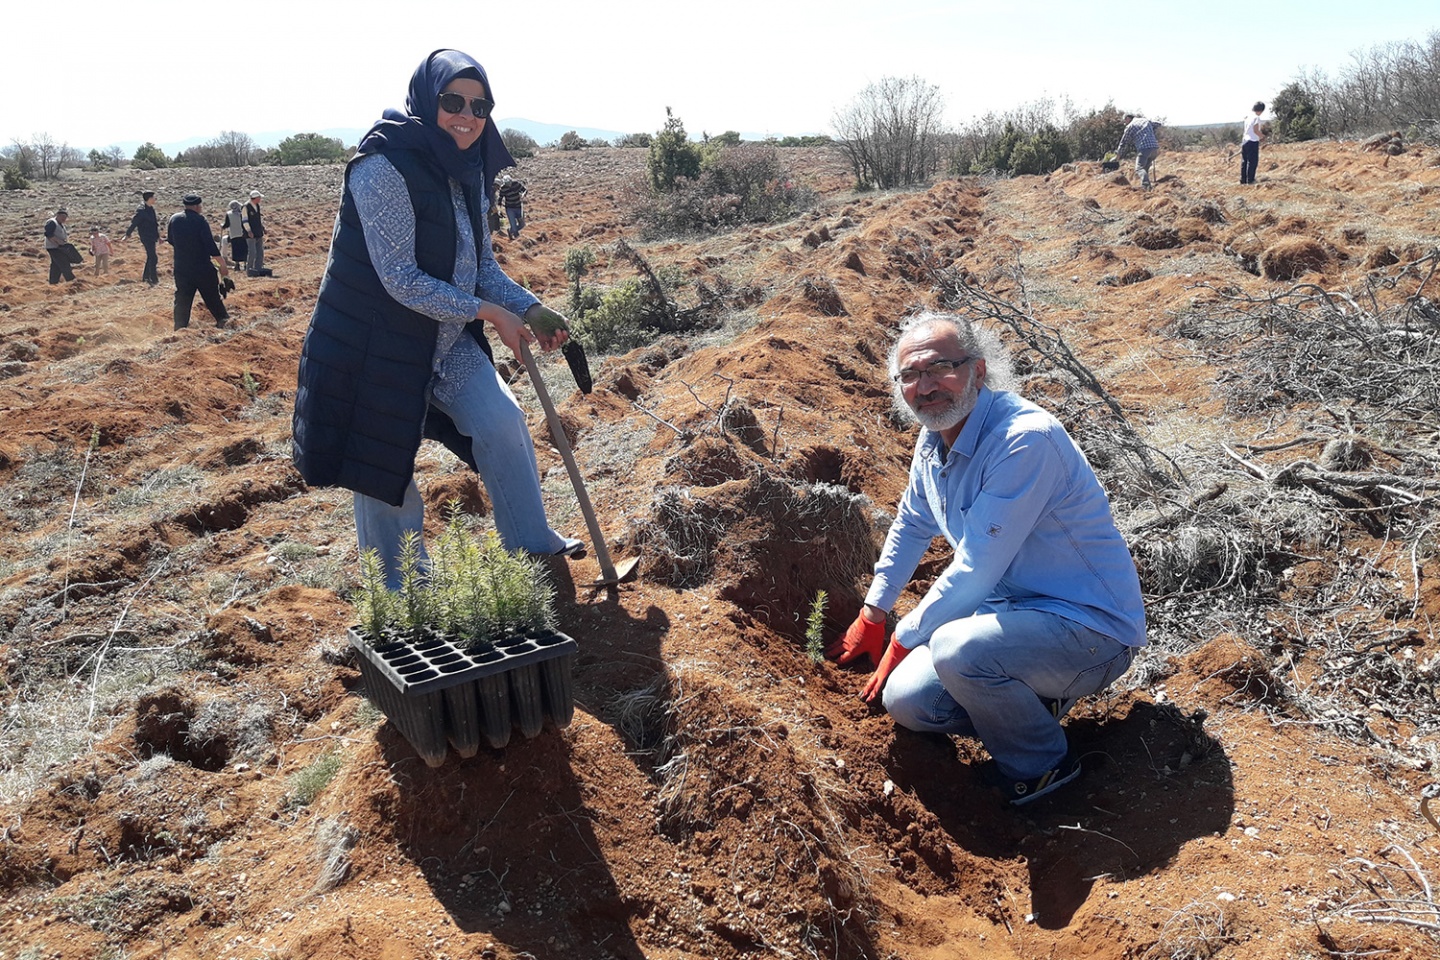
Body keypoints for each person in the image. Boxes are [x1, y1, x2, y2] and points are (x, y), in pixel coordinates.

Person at [291, 48, 584, 590]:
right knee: (385, 470)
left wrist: (528, 307)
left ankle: (531, 540)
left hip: (442, 340)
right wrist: (490, 313)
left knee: (501, 421)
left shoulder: (467, 173)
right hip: (372, 345)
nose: (467, 116)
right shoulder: (383, 167)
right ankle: (401, 589)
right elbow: (398, 278)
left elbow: (481, 268)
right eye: (453, 101)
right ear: (428, 100)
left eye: (480, 105)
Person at [826, 312, 1147, 805]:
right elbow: (912, 524)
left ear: (978, 371)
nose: (926, 387)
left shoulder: (1024, 440)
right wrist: (873, 610)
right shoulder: (933, 440)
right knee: (908, 701)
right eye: (910, 376)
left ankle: (1042, 766)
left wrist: (904, 638)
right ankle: (1033, 702)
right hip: (1013, 621)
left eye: (940, 368)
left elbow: (976, 569)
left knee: (956, 648)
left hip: (1090, 630)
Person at [166, 194, 231, 330]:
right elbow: (211, 249)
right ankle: (223, 321)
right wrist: (224, 273)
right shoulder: (200, 221)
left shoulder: (174, 219)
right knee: (212, 298)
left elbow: (171, 240)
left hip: (181, 268)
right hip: (202, 269)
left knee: (182, 300)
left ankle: (179, 328)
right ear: (197, 206)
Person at [123, 190, 162, 285]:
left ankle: (146, 277)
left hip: (152, 237)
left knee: (151, 257)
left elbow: (154, 224)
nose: (155, 199)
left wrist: (158, 237)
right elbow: (134, 223)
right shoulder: (141, 211)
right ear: (149, 199)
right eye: (153, 197)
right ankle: (153, 279)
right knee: (153, 257)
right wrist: (127, 235)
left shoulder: (151, 209)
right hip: (146, 237)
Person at [1115, 113, 1160, 189]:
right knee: (1145, 168)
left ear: (1128, 118)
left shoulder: (1130, 126)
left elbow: (1123, 142)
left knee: (1139, 168)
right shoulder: (1145, 120)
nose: (1125, 123)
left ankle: (1146, 186)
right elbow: (1157, 124)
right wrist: (1152, 131)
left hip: (1144, 148)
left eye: (1125, 121)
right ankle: (1147, 186)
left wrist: (1118, 155)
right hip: (1154, 148)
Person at [43, 208, 76, 284]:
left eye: (65, 218)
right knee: (64, 263)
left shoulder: (60, 224)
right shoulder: (52, 222)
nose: (64, 219)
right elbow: (48, 234)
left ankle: (53, 282)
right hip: (53, 248)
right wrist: (58, 242)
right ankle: (72, 281)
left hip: (59, 247)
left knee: (56, 265)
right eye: (62, 217)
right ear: (58, 215)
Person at [243, 190, 268, 276]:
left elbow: (258, 219)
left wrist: (262, 228)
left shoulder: (257, 206)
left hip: (258, 232)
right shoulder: (245, 207)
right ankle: (249, 270)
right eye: (259, 198)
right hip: (250, 234)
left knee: (260, 251)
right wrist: (249, 231)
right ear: (256, 198)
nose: (260, 199)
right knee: (252, 252)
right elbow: (244, 221)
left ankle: (258, 268)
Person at [1241, 101, 1266, 185]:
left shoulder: (1247, 117)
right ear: (1261, 110)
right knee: (1252, 162)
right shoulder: (1256, 118)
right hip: (1252, 141)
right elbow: (1255, 130)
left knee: (1244, 161)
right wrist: (1262, 136)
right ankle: (1250, 180)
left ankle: (1243, 180)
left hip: (1245, 141)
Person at [222, 199, 249, 272]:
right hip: (243, 234)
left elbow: (227, 225)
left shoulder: (229, 214)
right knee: (244, 249)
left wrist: (222, 226)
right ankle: (246, 264)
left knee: (236, 250)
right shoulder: (241, 214)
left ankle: (237, 265)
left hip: (233, 235)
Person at [497, 173, 526, 239]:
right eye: (507, 184)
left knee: (522, 224)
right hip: (510, 208)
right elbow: (500, 199)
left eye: (509, 183)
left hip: (518, 207)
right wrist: (500, 210)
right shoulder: (503, 188)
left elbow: (524, 190)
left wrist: (523, 195)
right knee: (514, 225)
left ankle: (510, 231)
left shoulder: (516, 184)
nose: (509, 185)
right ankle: (517, 238)